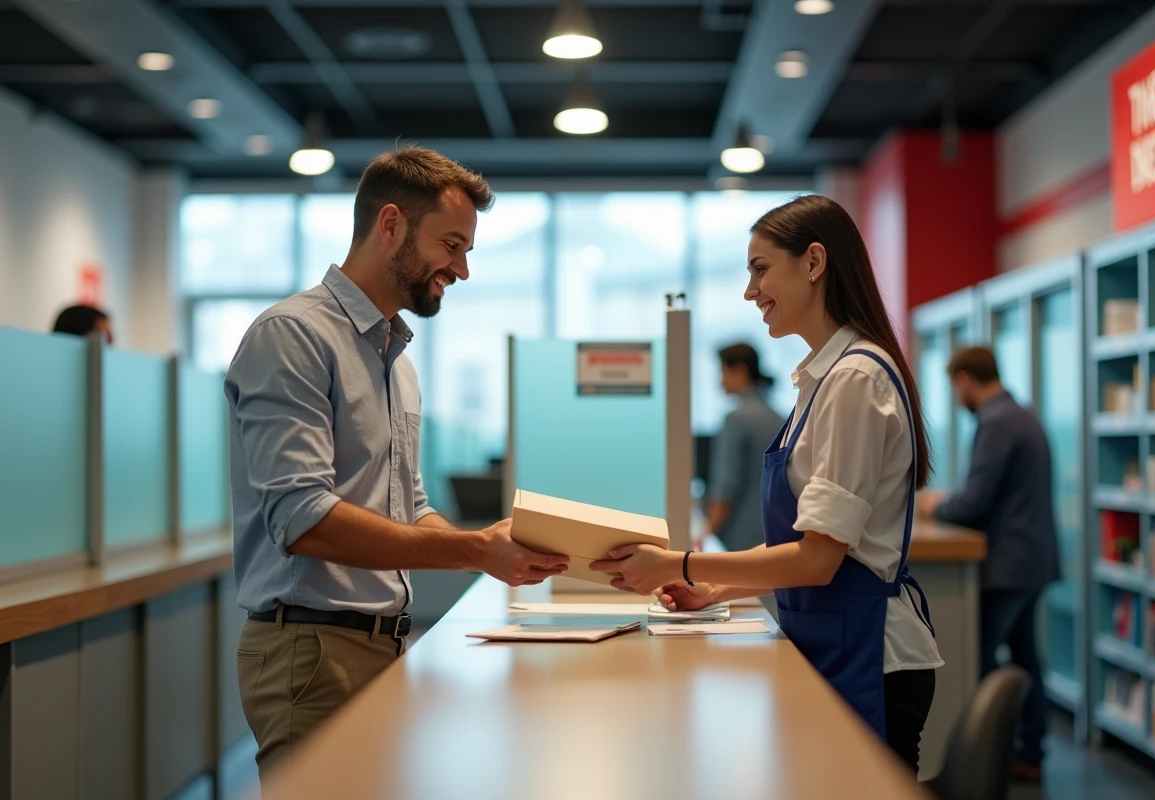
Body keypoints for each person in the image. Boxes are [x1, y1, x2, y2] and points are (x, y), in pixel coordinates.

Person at [225, 146, 569, 777]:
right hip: (312, 647)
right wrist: (471, 553)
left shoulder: (397, 362)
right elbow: (304, 520)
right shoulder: (294, 336)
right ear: (390, 226)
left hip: (381, 643)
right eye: (451, 245)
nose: (461, 269)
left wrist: (490, 546)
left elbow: (409, 506)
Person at [592, 194, 942, 772]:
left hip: (872, 658)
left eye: (759, 270)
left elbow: (817, 561)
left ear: (813, 262)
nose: (750, 292)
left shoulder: (855, 377)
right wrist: (715, 591)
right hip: (837, 639)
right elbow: (809, 543)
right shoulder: (822, 377)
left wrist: (679, 565)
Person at [917, 346, 1060, 784]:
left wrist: (934, 508)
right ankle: (1029, 753)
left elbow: (975, 503)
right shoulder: (1022, 414)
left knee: (975, 659)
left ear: (963, 379)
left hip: (1007, 565)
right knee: (1024, 656)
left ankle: (984, 763)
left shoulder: (995, 422)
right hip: (1031, 559)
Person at [705, 343, 785, 552]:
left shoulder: (736, 419)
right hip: (775, 533)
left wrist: (706, 533)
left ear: (738, 371)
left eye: (722, 372)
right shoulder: (780, 419)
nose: (720, 381)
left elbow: (726, 486)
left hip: (739, 537)